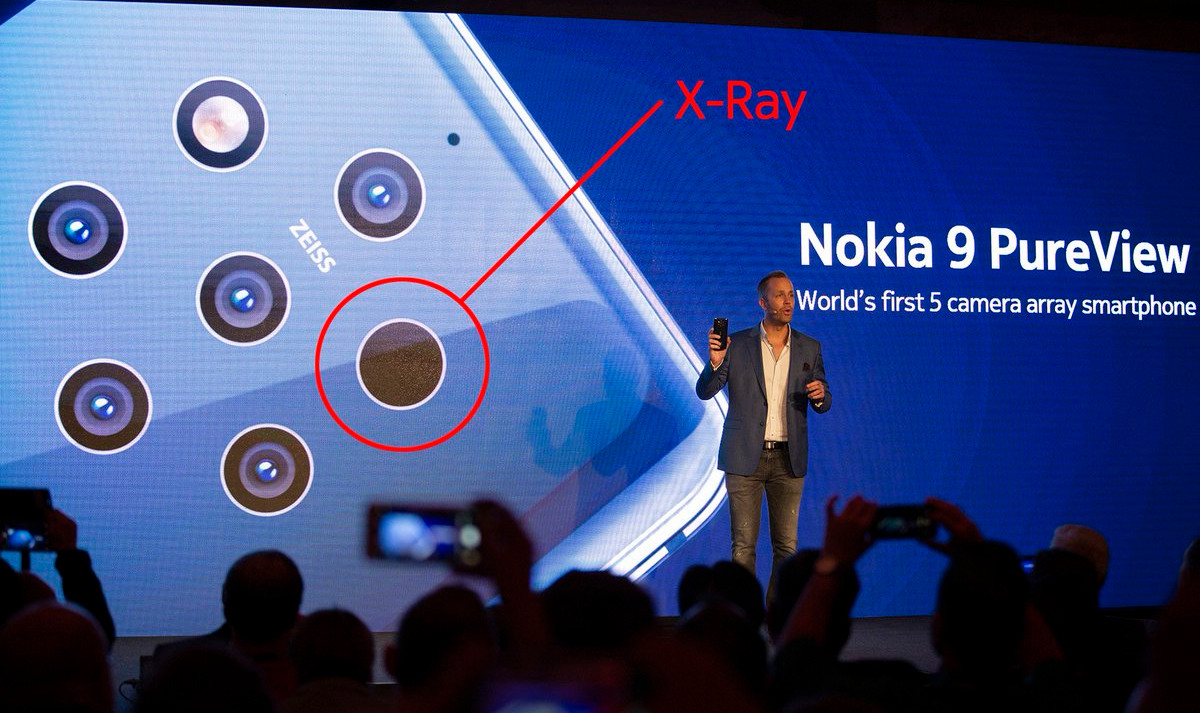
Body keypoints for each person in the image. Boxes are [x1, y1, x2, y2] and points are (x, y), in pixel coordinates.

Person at [696, 270, 831, 597]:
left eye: (791, 294)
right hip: (745, 458)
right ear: (763, 302)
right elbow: (705, 391)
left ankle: (777, 614)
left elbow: (824, 401)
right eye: (780, 295)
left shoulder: (809, 348)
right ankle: (744, 615)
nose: (788, 301)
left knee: (787, 547)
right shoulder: (737, 344)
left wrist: (820, 395)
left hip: (788, 459)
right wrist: (715, 362)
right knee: (743, 546)